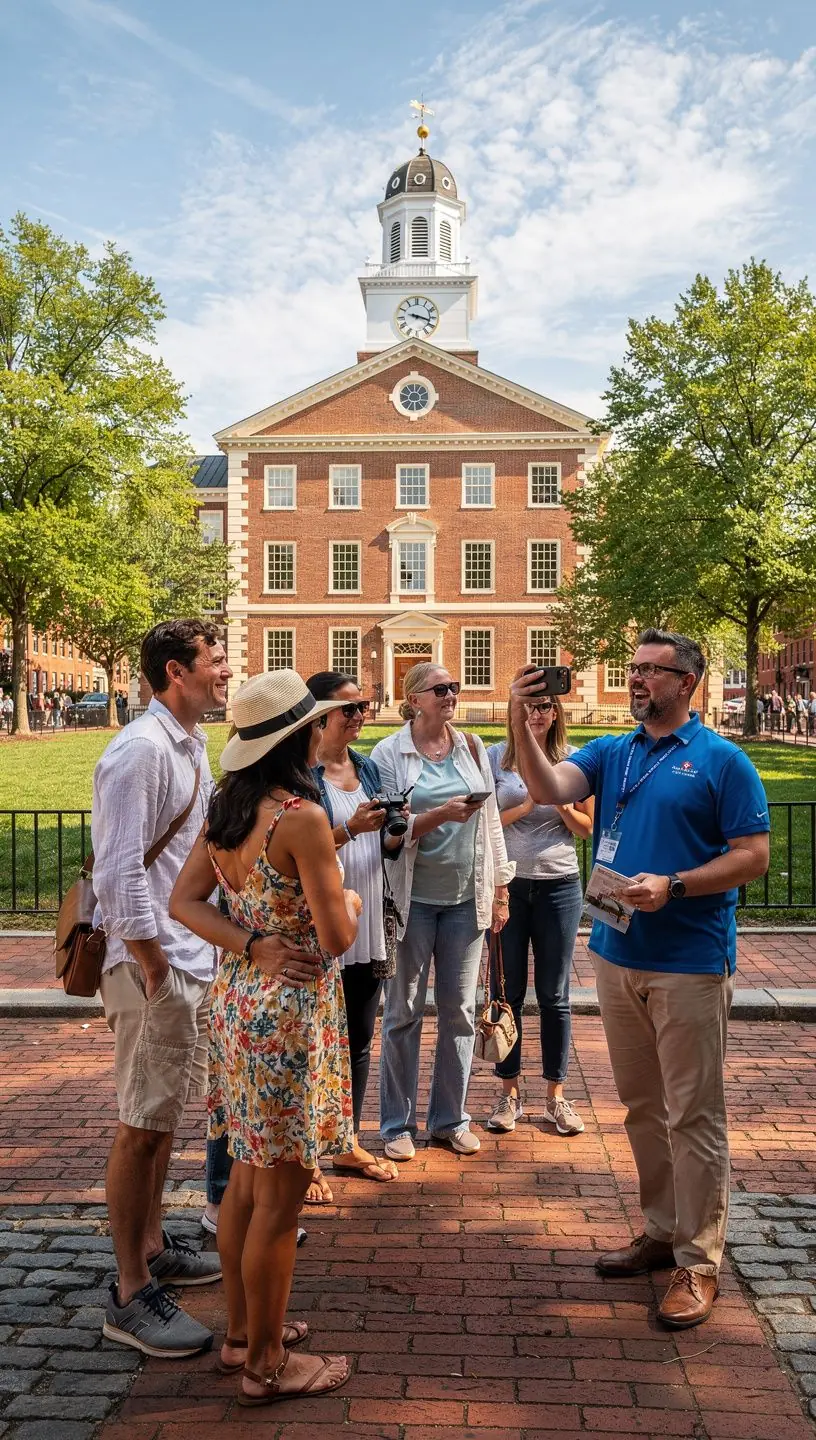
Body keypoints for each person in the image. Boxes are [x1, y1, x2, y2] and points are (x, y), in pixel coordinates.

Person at [509, 629, 769, 1329]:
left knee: (694, 1115)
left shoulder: (723, 761)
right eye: (633, 669)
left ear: (688, 681)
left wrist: (678, 885)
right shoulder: (613, 752)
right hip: (617, 956)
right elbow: (545, 786)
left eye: (653, 672)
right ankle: (660, 1231)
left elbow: (754, 856)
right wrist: (518, 717)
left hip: (688, 960)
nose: (637, 681)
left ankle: (698, 1260)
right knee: (643, 1108)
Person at [169, 669, 357, 1405]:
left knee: (246, 1179)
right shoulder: (300, 818)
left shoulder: (230, 809)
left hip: (239, 1002)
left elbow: (186, 902)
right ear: (301, 738)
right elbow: (337, 933)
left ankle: (243, 1334)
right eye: (317, 725)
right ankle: (267, 1366)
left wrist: (249, 944)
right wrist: (342, 892)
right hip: (290, 1011)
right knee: (279, 1201)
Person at [93, 620, 230, 1358]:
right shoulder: (141, 750)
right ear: (176, 672)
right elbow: (117, 873)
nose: (225, 670)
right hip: (155, 963)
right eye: (214, 661)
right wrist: (150, 965)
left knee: (165, 1116)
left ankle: (152, 1245)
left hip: (183, 959)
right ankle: (128, 1291)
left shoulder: (188, 744)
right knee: (141, 1124)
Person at [371, 663, 514, 1161]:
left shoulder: (472, 747)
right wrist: (439, 815)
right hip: (412, 902)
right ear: (413, 700)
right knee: (403, 1012)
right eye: (439, 689)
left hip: (465, 900)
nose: (451, 694)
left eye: (453, 687)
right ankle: (396, 1124)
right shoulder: (390, 753)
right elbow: (388, 832)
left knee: (461, 1012)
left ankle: (450, 1119)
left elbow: (491, 820)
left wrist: (500, 887)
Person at [304, 670, 401, 1203]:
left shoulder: (365, 768)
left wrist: (393, 831)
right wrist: (353, 829)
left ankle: (346, 1140)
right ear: (321, 715)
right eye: (351, 709)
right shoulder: (301, 775)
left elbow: (381, 844)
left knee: (358, 1041)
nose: (362, 715)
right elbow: (299, 850)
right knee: (316, 1045)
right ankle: (307, 1156)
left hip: (366, 922)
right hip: (322, 924)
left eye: (364, 706)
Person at [485, 694, 594, 1136]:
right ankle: (508, 1093)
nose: (538, 713)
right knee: (506, 989)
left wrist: (560, 801)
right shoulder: (496, 757)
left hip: (559, 885)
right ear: (517, 710)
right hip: (508, 885)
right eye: (530, 705)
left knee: (555, 994)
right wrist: (530, 804)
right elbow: (487, 821)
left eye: (546, 706)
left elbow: (588, 828)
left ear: (556, 713)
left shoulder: (575, 762)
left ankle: (556, 1095)